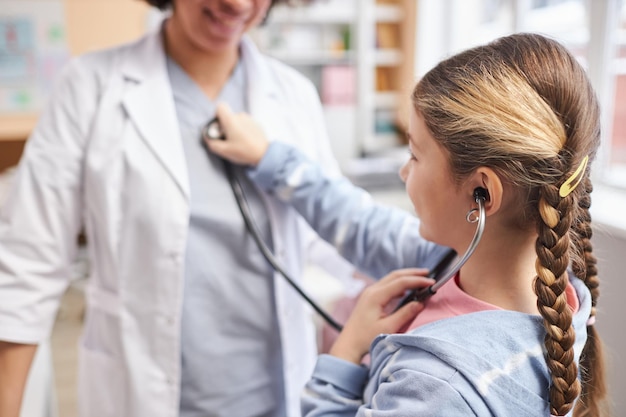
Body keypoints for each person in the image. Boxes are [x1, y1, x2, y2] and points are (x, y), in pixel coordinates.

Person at [0, 1, 372, 416]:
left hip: (276, 395)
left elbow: (328, 233)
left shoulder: (293, 95)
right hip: (141, 396)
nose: (238, 3)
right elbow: (27, 267)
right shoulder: (90, 86)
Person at [206, 32, 609, 416]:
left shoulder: (437, 387)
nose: (403, 171)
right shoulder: (552, 290)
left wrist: (344, 354)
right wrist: (268, 158)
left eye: (415, 155)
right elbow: (361, 223)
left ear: (482, 193)